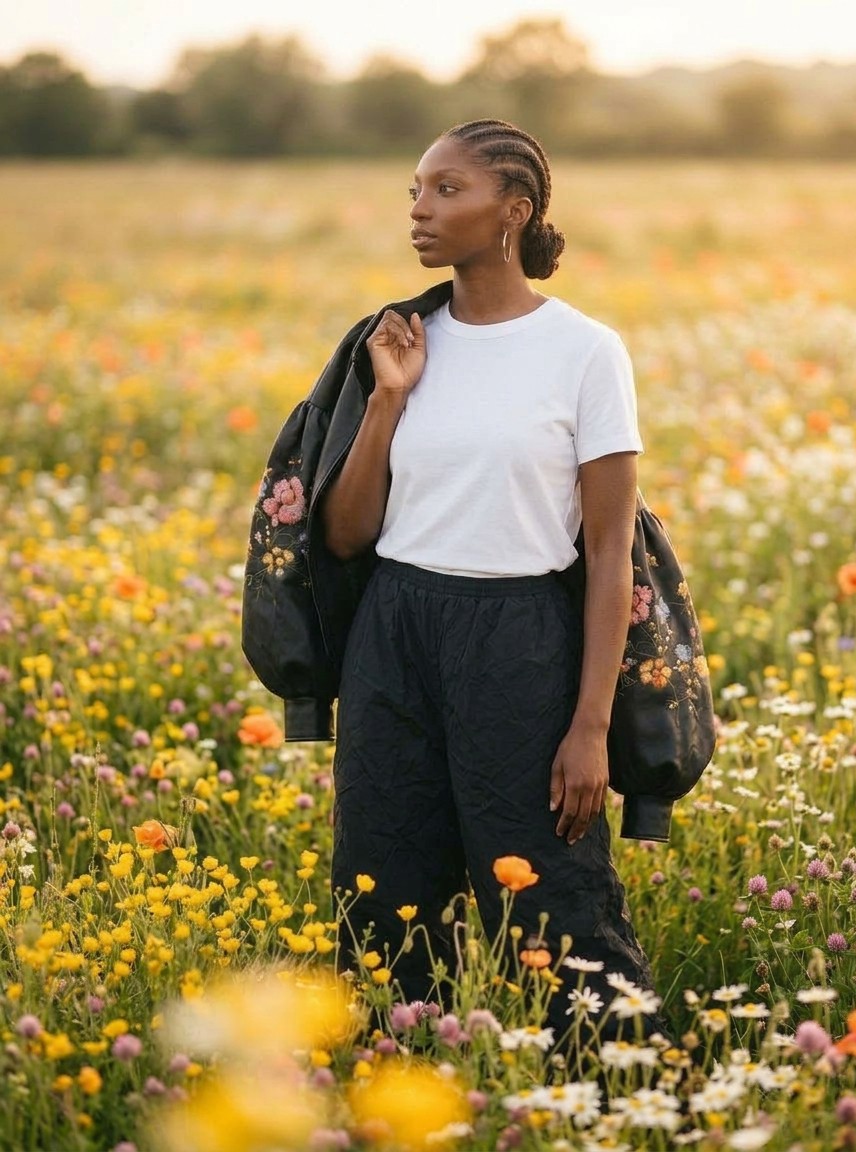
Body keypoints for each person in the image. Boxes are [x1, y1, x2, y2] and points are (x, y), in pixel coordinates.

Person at [315, 118, 665, 1044]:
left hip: (521, 641)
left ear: (514, 212)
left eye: (447, 190)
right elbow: (349, 534)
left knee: (552, 896)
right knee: (383, 882)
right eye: (416, 192)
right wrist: (389, 398)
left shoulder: (586, 352)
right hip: (393, 634)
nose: (422, 212)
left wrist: (590, 725)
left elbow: (607, 553)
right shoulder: (400, 339)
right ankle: (399, 1079)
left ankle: (618, 1089)